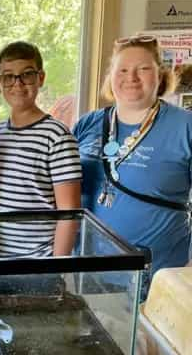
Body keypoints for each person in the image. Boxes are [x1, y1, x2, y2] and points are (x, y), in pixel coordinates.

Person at [73, 35, 192, 299]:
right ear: (111, 77)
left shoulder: (185, 127)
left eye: (144, 69)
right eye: (122, 70)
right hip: (90, 271)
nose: (132, 77)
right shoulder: (86, 124)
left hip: (158, 276)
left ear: (160, 75)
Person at [0, 41, 82, 259]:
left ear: (40, 78)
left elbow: (69, 212)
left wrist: (56, 267)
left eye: (26, 74)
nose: (17, 84)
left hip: (37, 261)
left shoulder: (57, 136)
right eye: (8, 77)